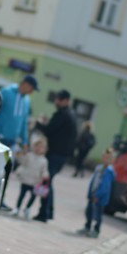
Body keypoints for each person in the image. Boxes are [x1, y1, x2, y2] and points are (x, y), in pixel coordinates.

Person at [0, 74, 38, 210]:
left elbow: (23, 122)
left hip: (12, 142)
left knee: (6, 170)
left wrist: (25, 141)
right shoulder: (6, 92)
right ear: (25, 84)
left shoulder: (26, 100)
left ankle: (0, 199)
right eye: (32, 88)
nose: (32, 92)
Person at [32, 89, 78, 222]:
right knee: (48, 181)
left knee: (46, 180)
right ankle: (48, 211)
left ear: (66, 101)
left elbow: (49, 130)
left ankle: (44, 213)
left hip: (56, 154)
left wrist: (37, 123)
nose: (56, 101)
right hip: (61, 155)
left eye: (59, 99)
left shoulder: (63, 114)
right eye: (56, 98)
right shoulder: (70, 114)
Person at [78, 148, 116, 238]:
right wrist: (90, 193)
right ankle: (87, 226)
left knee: (97, 214)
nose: (106, 160)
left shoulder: (109, 171)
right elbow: (93, 181)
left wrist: (97, 195)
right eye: (104, 157)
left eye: (108, 158)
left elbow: (105, 186)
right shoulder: (98, 168)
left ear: (112, 160)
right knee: (89, 212)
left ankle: (96, 230)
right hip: (93, 194)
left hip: (100, 197)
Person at [12, 135, 49, 220]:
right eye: (37, 146)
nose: (38, 149)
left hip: (35, 182)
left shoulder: (44, 161)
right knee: (21, 195)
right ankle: (17, 208)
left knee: (33, 197)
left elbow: (44, 171)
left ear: (44, 150)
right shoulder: (29, 155)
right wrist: (20, 154)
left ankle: (27, 208)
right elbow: (22, 161)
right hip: (25, 179)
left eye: (41, 147)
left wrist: (45, 176)